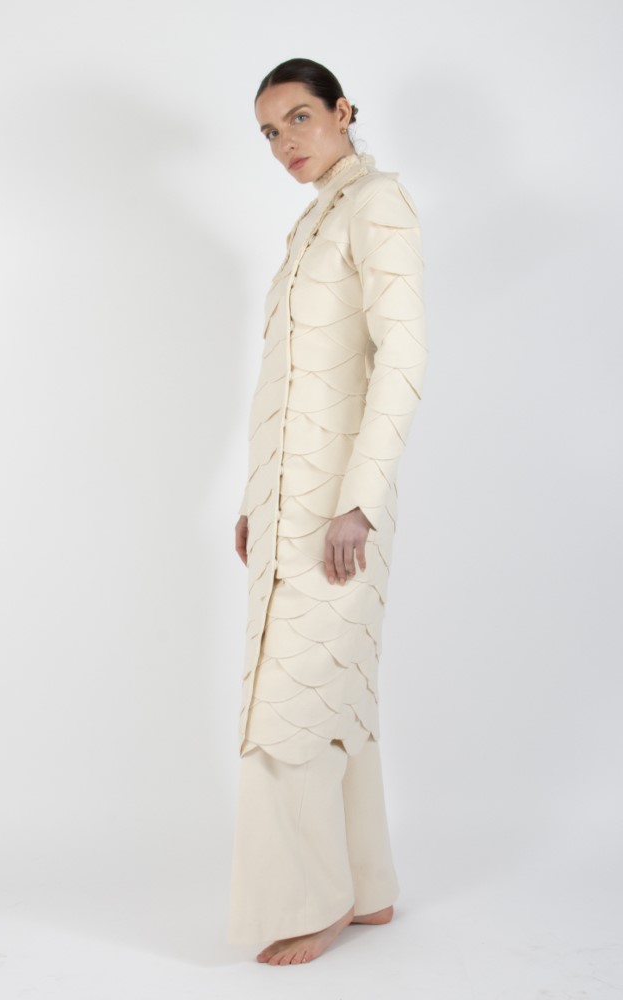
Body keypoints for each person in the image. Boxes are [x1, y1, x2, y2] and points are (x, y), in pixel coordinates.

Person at [227, 57, 428, 965]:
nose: (286, 144)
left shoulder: (378, 204)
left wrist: (360, 502)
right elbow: (289, 381)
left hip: (338, 510)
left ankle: (313, 900)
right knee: (332, 686)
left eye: (300, 119)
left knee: (292, 698)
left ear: (343, 111)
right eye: (270, 133)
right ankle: (369, 886)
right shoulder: (315, 222)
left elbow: (402, 358)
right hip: (288, 506)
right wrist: (254, 499)